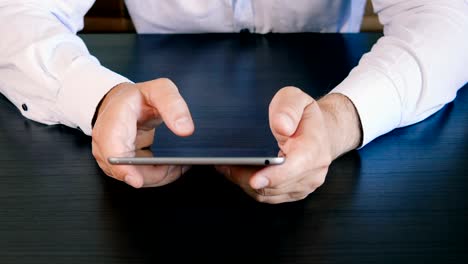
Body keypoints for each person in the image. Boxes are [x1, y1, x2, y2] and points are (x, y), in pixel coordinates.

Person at [0, 1, 467, 203]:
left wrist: (339, 119)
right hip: (149, 145)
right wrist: (101, 99)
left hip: (334, 128)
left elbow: (446, 19)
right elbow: (17, 12)